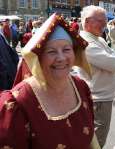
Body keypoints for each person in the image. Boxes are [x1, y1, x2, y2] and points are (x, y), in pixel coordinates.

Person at [0, 13, 100, 149]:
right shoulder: (17, 103)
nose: (61, 58)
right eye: (51, 51)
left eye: (66, 49)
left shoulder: (81, 87)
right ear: (38, 58)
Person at [80, 5, 115, 148]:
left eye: (105, 21)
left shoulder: (98, 39)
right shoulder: (87, 43)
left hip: (102, 97)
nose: (105, 24)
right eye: (101, 21)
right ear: (87, 21)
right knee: (98, 140)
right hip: (99, 99)